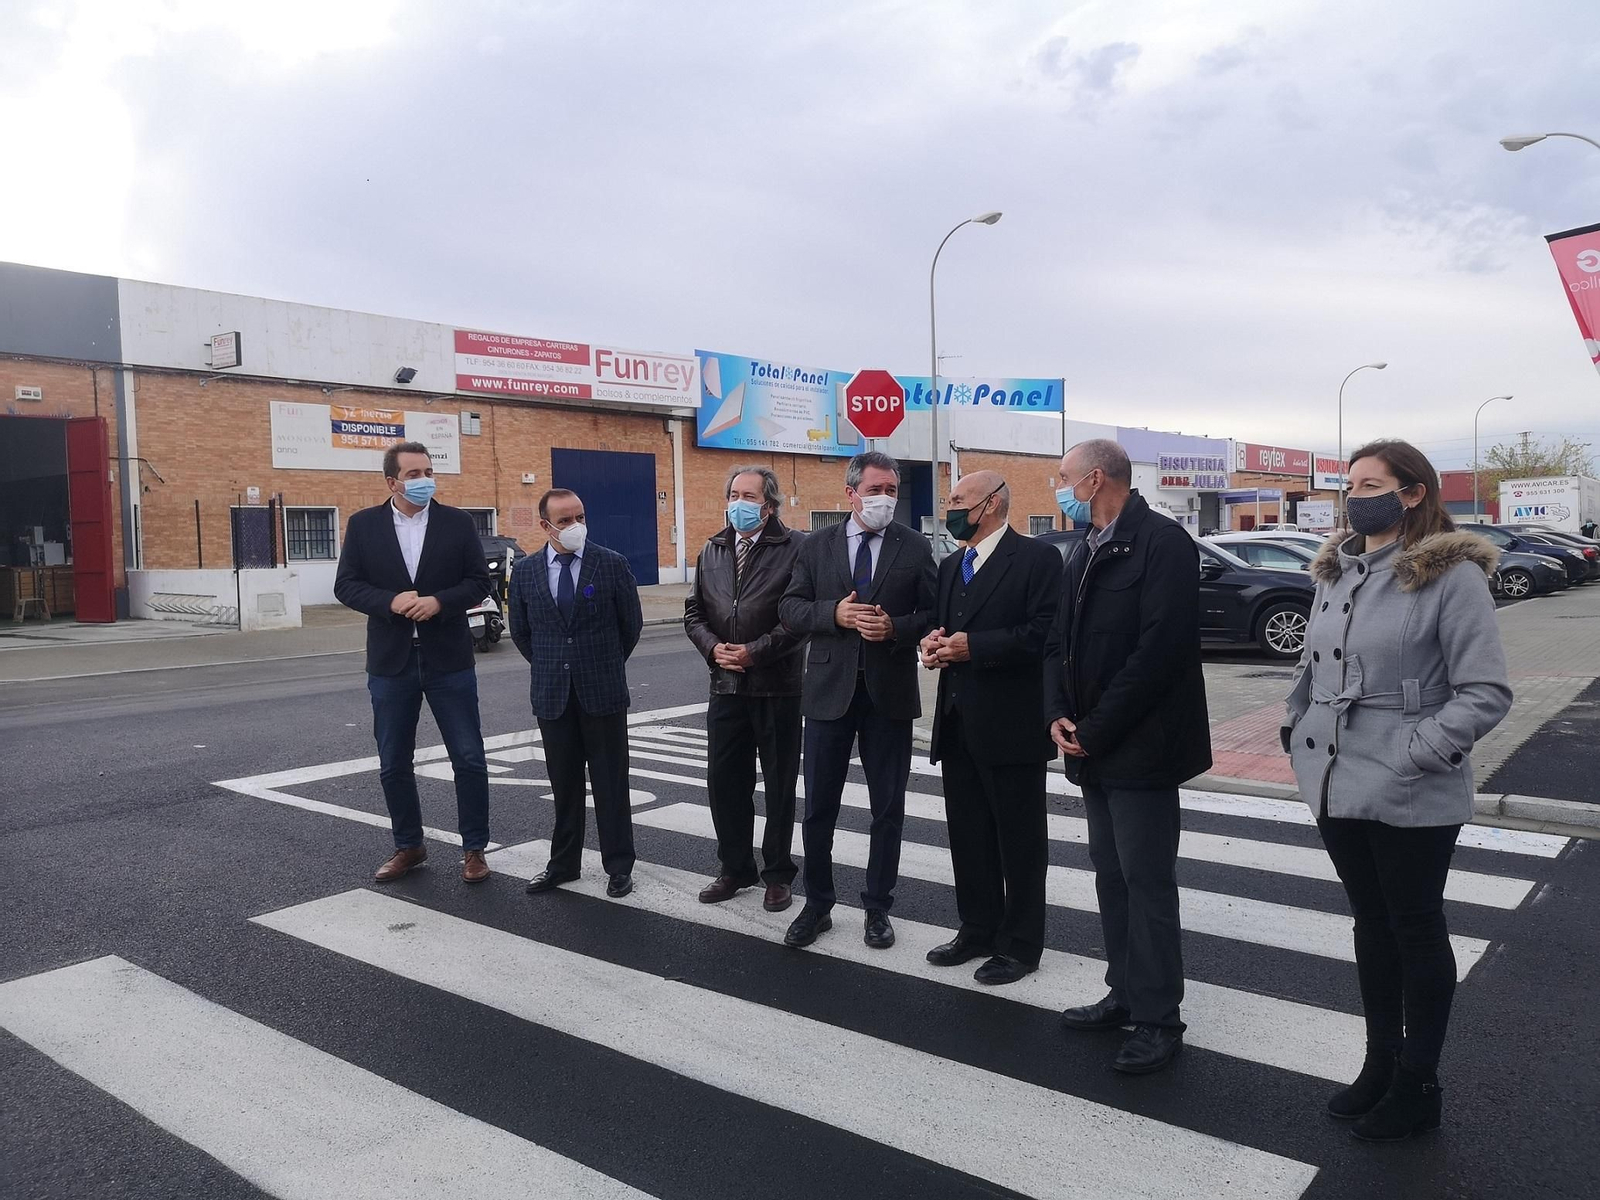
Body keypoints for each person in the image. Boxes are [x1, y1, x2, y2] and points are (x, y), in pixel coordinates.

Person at [1284, 439, 1510, 1141]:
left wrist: (1421, 750)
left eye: (1371, 483)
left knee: (1414, 927)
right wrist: (1295, 724)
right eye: (1350, 484)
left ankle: (1419, 1082)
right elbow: (1313, 664)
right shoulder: (1337, 571)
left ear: (1411, 493)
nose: (1355, 495)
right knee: (1370, 923)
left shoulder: (1451, 576)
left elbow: (1486, 691)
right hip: (1334, 772)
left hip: (1411, 782)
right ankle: (1380, 1062)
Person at [1044, 438, 1211, 1075]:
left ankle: (1158, 1017)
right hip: (1091, 744)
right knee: (1110, 876)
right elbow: (1057, 641)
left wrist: (1096, 727)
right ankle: (1123, 992)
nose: (1058, 491)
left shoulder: (1162, 544)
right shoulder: (1082, 549)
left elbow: (1159, 654)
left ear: (1093, 478)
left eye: (1063, 478)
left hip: (1139, 748)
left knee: (1146, 882)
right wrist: (1056, 712)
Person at [778, 450, 936, 949]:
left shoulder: (913, 545)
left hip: (888, 695)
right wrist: (835, 616)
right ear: (851, 493)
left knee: (887, 808)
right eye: (875, 490)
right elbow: (790, 608)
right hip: (828, 694)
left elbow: (934, 612)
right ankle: (817, 904)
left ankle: (877, 906)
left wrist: (897, 627)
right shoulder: (817, 546)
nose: (884, 498)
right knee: (819, 806)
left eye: (891, 490)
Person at [920, 471, 1062, 985]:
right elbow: (944, 628)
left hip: (1011, 724)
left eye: (958, 500)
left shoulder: (1037, 559)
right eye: (948, 500)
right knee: (968, 834)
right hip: (957, 720)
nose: (949, 507)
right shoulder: (951, 564)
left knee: (1020, 841)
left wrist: (974, 647)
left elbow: (1044, 633)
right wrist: (934, 646)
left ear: (992, 504)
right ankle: (976, 926)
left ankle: (1021, 944)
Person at [333, 441, 493, 884]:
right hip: (391, 661)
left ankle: (475, 849)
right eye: (413, 474)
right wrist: (391, 602)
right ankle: (409, 845)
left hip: (449, 659)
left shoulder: (457, 523)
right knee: (393, 762)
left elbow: (479, 582)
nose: (424, 480)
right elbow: (346, 586)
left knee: (469, 757)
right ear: (391, 482)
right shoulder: (364, 525)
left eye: (427, 471)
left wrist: (439, 602)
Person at [509, 488, 644, 899]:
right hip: (552, 694)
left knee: (610, 784)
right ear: (545, 525)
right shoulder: (527, 571)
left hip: (601, 690)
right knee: (564, 785)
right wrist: (555, 666)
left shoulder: (611, 564)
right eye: (565, 521)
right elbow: (522, 633)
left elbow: (630, 626)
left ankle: (618, 865)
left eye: (580, 517)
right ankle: (563, 864)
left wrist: (600, 664)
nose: (575, 527)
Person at [684, 465, 807, 912]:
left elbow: (798, 617)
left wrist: (756, 651)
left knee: (778, 785)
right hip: (726, 685)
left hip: (777, 686)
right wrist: (714, 648)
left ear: (768, 505)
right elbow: (693, 611)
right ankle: (735, 867)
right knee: (725, 782)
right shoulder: (713, 549)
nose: (738, 502)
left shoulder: (797, 548)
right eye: (733, 493)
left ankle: (778, 873)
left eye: (748, 496)